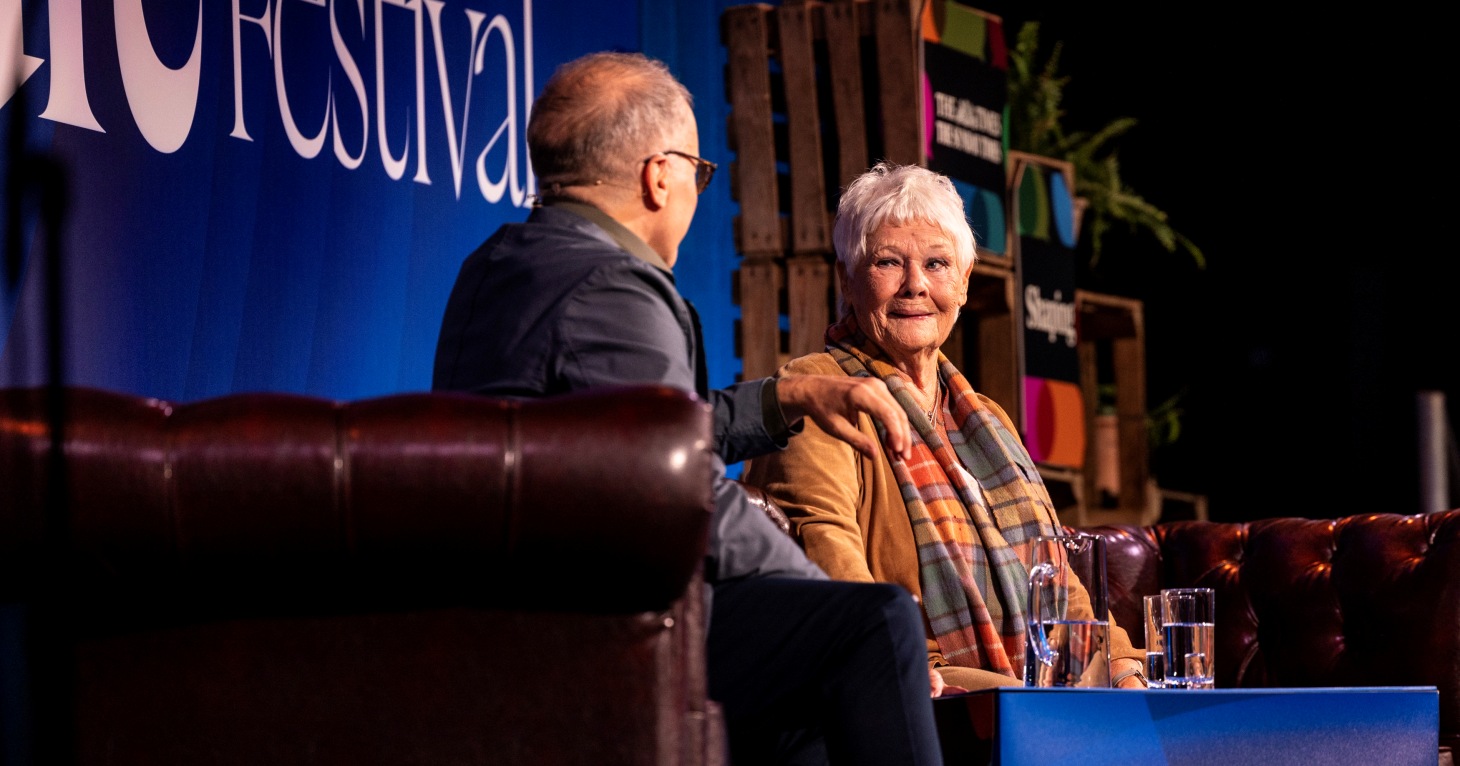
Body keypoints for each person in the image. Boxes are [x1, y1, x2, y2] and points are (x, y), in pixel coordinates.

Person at [431, 52, 947, 765]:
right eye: (699, 174)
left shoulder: (500, 263)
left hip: (520, 608)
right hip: (594, 622)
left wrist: (783, 397)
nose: (695, 194)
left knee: (810, 698)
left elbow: (630, 435)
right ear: (658, 175)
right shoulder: (610, 288)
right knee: (876, 625)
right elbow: (682, 493)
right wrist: (818, 593)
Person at [743, 161, 1149, 692]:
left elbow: (1058, 580)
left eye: (936, 264)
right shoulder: (817, 390)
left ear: (963, 282)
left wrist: (1122, 667)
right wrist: (896, 660)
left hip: (1035, 689)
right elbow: (825, 552)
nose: (915, 286)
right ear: (847, 279)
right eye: (888, 262)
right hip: (921, 684)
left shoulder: (987, 419)